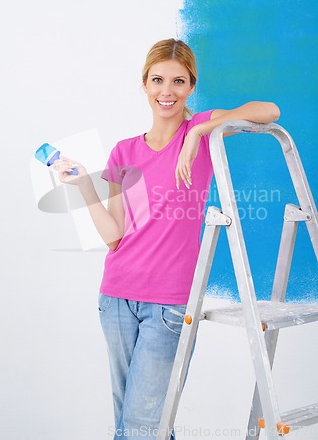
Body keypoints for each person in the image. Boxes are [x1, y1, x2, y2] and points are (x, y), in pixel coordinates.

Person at [54, 38, 280, 439]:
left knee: (140, 427)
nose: (167, 91)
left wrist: (201, 133)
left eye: (178, 81)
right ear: (144, 85)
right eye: (157, 80)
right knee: (139, 422)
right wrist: (84, 185)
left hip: (169, 306)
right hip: (116, 298)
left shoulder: (201, 131)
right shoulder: (124, 151)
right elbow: (114, 237)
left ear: (191, 86)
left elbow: (268, 111)